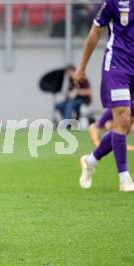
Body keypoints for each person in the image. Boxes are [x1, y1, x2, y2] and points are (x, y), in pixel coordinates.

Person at [74, 0, 134, 192]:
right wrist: (82, 67)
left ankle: (90, 160)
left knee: (124, 125)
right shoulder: (112, 2)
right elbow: (95, 31)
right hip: (117, 67)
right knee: (123, 119)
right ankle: (124, 179)